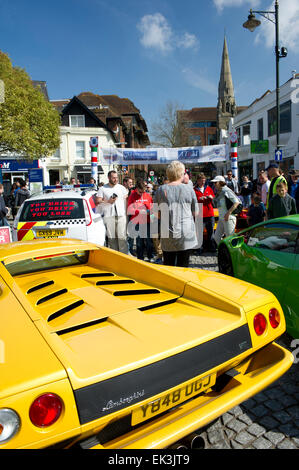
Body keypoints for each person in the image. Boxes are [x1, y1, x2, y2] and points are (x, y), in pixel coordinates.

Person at [154, 161, 198, 268]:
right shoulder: (189, 189)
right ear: (181, 174)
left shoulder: (160, 190)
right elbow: (195, 212)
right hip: (185, 232)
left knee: (168, 265)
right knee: (183, 266)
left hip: (167, 232)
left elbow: (155, 213)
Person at [95, 170, 128, 254]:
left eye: (116, 177)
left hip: (121, 216)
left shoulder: (121, 188)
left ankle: (124, 257)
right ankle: (115, 257)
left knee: (122, 238)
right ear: (109, 178)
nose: (116, 179)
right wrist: (108, 202)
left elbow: (126, 199)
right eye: (113, 178)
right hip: (109, 216)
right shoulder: (102, 189)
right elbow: (97, 201)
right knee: (112, 239)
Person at [127, 179, 153, 261]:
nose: (142, 194)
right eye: (140, 192)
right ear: (136, 189)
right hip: (137, 221)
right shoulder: (132, 195)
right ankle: (140, 257)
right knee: (139, 241)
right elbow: (129, 209)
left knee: (149, 240)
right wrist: (139, 211)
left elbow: (152, 207)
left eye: (143, 192)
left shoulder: (147, 195)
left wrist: (150, 211)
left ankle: (150, 256)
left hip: (147, 220)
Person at [211, 175, 241, 246]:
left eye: (215, 183)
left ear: (220, 182)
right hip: (221, 218)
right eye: (214, 183)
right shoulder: (219, 192)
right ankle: (224, 250)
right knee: (216, 237)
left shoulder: (226, 190)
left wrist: (228, 213)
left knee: (230, 238)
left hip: (229, 218)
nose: (214, 184)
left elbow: (236, 202)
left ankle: (233, 254)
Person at [193, 173, 216, 252]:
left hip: (209, 213)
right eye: (201, 181)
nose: (203, 182)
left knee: (211, 232)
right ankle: (199, 248)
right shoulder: (194, 190)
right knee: (199, 233)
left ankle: (211, 248)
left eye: (204, 181)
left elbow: (213, 197)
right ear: (198, 181)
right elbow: (193, 200)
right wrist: (200, 199)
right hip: (200, 214)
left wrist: (211, 197)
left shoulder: (208, 188)